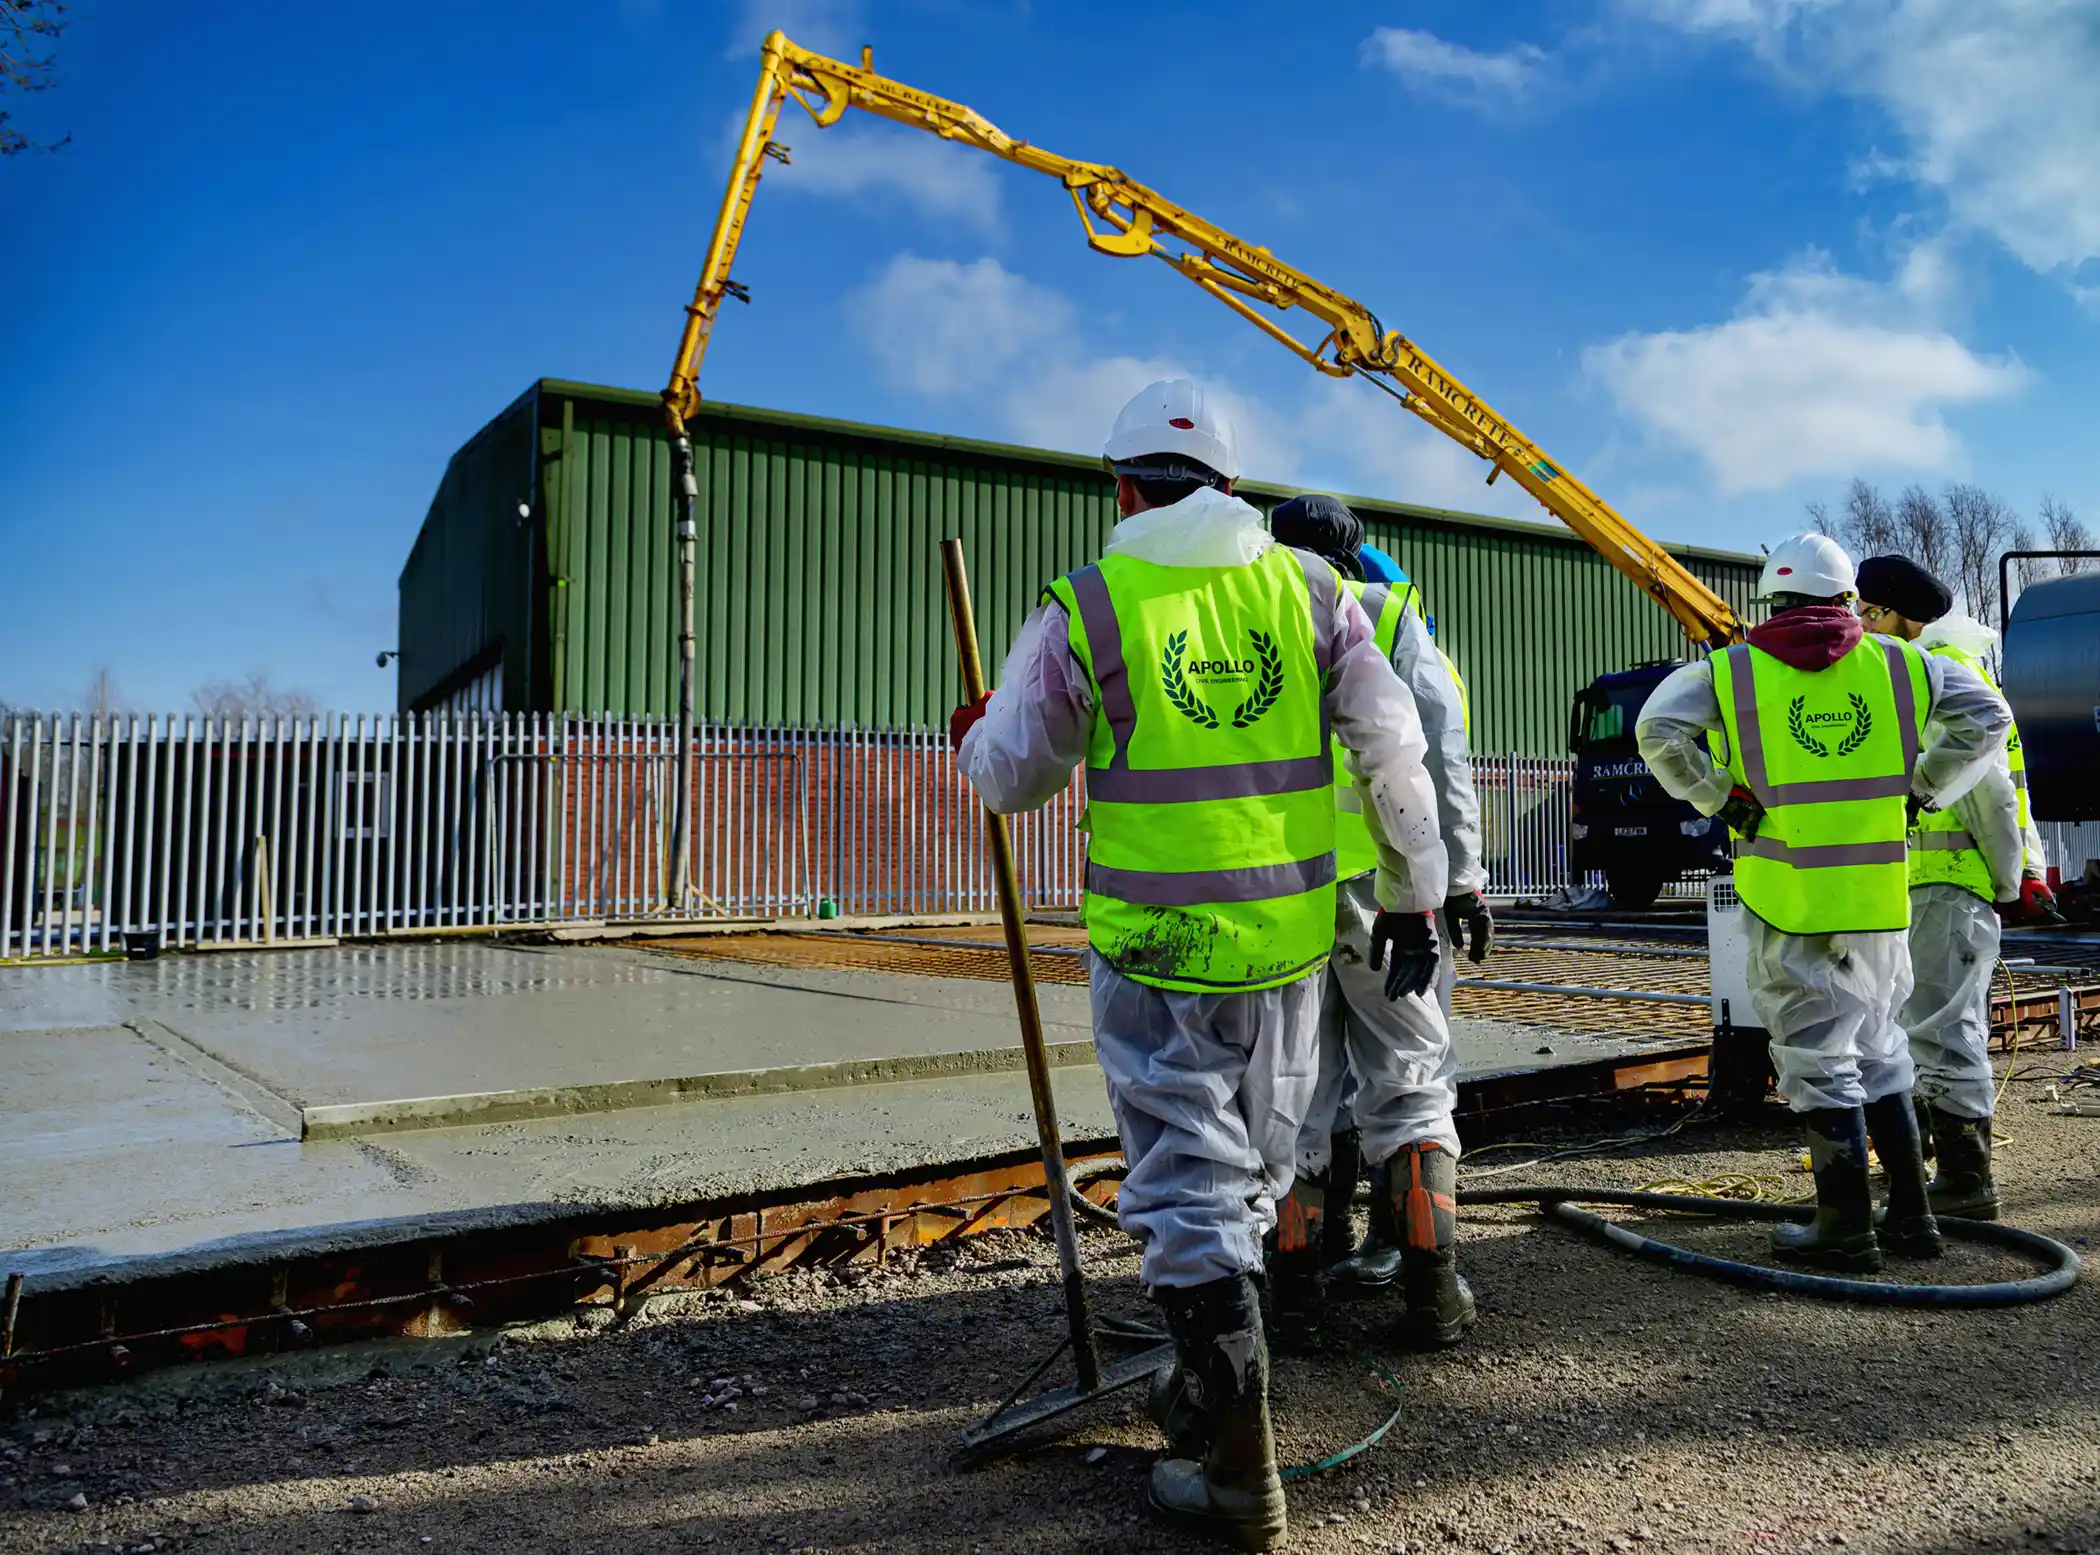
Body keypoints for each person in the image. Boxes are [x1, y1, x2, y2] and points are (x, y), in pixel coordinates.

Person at [952, 380, 1450, 1550]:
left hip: (1160, 952)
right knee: (1254, 1179)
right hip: (1284, 950)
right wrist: (1418, 898)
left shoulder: (1090, 603)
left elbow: (1012, 771)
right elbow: (1396, 749)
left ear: (1120, 485)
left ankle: (1239, 1472)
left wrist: (975, 727)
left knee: (1186, 1192)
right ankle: (1204, 1391)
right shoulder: (1317, 589)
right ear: (1230, 484)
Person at [1635, 533, 2009, 1272]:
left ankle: (1844, 1221)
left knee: (1816, 1057)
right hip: (1877, 899)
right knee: (1881, 1049)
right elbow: (1988, 718)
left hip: (1789, 896)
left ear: (1771, 600)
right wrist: (1923, 785)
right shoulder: (1903, 664)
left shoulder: (1731, 671)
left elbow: (1656, 729)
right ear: (1847, 597)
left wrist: (1718, 794)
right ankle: (1912, 1215)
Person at [1260, 494, 1489, 1351]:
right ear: (1361, 549)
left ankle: (1292, 1297)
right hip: (1386, 893)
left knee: (1293, 1094)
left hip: (1280, 894)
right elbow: (1442, 756)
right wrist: (1457, 882)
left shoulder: (1254, 616)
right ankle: (1433, 1293)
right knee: (1412, 1078)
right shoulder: (1392, 617)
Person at [1855, 555, 2056, 1220]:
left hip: (1953, 885)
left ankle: (1969, 1181)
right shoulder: (1943, 671)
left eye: (1869, 610)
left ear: (1899, 617)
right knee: (1925, 1028)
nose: (1860, 622)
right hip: (1940, 886)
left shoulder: (1938, 677)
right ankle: (1943, 1170)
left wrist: (2006, 881)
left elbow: (1992, 793)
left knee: (1945, 1031)